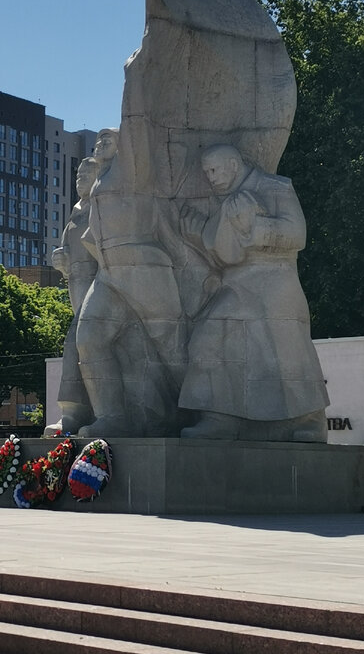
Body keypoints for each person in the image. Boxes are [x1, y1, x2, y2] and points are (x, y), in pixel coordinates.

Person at [179, 145, 328, 440]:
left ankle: (308, 422)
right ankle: (219, 417)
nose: (210, 178)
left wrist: (255, 225)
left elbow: (297, 234)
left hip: (275, 279)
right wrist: (197, 231)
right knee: (208, 338)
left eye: (213, 170)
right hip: (236, 282)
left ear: (233, 164)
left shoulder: (275, 187)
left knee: (287, 351)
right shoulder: (225, 199)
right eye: (206, 172)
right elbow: (223, 250)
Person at [74, 126, 186, 436]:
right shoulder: (101, 178)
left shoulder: (132, 169)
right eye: (97, 140)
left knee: (172, 348)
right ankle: (112, 416)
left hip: (142, 268)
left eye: (107, 138)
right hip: (109, 270)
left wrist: (135, 77)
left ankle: (200, 410)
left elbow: (137, 117)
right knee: (89, 339)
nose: (99, 143)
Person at [49, 156, 99, 433]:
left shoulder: (101, 205)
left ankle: (74, 411)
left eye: (86, 174)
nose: (80, 178)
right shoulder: (76, 210)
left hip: (98, 280)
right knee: (78, 341)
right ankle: (79, 411)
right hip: (76, 283)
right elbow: (68, 249)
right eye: (78, 174)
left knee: (76, 341)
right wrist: (62, 260)